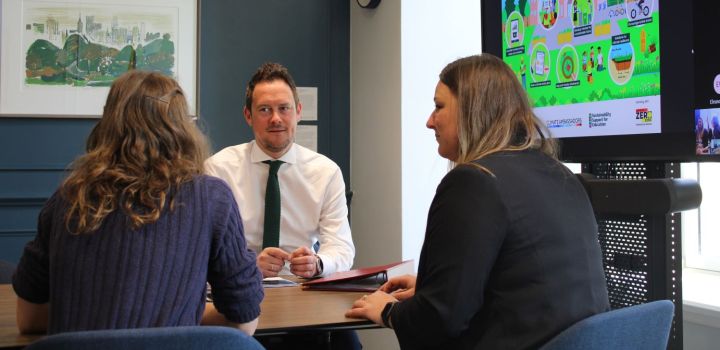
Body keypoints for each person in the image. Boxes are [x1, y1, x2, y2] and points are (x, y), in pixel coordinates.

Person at [346, 54, 610, 349]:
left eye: (439, 107)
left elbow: (438, 322)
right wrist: (431, 288)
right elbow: (529, 283)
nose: (429, 121)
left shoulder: (472, 181)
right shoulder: (560, 174)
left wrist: (389, 310)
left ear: (472, 110)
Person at [12, 70, 264, 335]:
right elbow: (244, 322)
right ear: (182, 126)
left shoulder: (69, 196)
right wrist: (184, 312)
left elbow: (28, 319)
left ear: (108, 122)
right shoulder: (212, 199)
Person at [205, 62, 358, 349]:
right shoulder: (218, 170)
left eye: (284, 108)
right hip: (240, 294)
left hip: (303, 293)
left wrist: (317, 263)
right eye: (264, 110)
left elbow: (342, 247)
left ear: (298, 112)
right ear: (248, 116)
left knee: (348, 344)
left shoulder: (326, 172)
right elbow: (205, 253)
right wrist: (250, 266)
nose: (276, 118)